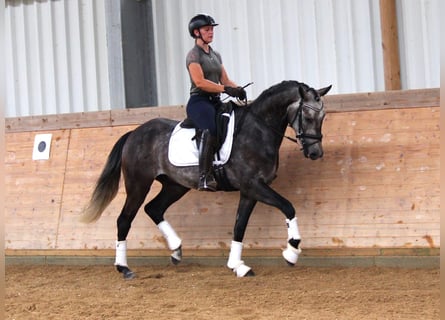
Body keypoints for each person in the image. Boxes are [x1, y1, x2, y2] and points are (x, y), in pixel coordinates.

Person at [186, 14, 246, 191]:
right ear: (197, 32)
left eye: (212, 29)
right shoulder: (193, 55)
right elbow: (200, 82)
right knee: (210, 129)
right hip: (199, 102)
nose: (211, 32)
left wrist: (238, 89)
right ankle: (204, 176)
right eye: (207, 29)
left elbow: (225, 81)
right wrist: (225, 90)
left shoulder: (215, 55)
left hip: (216, 100)